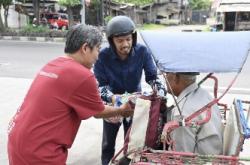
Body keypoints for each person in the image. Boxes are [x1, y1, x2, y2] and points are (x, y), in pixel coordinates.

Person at [7, 24, 134, 165]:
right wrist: (122, 110)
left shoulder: (53, 64)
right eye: (97, 50)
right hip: (40, 151)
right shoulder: (82, 75)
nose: (97, 57)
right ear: (85, 48)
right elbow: (98, 111)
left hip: (17, 141)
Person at [93, 15, 166, 165]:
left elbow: (152, 77)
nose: (125, 44)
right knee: (108, 144)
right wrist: (115, 99)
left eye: (128, 39)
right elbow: (101, 86)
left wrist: (160, 90)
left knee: (133, 143)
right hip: (112, 104)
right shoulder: (102, 56)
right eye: (120, 41)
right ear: (112, 42)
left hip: (134, 105)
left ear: (133, 37)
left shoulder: (142, 52)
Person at [165, 72, 223, 154]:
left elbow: (181, 157)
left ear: (176, 77)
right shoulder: (204, 94)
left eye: (166, 73)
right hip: (214, 153)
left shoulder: (181, 113)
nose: (165, 78)